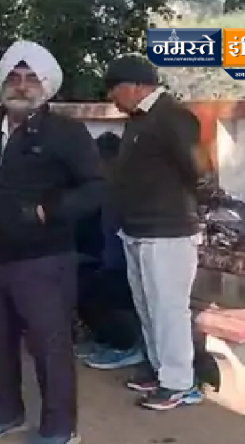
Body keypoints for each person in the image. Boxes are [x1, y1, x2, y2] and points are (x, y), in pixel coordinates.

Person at [0, 40, 104, 444]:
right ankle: (4, 414)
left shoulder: (67, 134)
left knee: (50, 348)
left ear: (46, 86)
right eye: (14, 77)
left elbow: (95, 189)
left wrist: (46, 212)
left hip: (42, 261)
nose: (21, 85)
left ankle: (58, 429)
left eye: (31, 78)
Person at [104, 54, 205, 410]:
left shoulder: (173, 116)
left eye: (114, 89)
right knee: (147, 307)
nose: (111, 98)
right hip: (137, 228)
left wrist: (207, 203)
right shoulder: (138, 120)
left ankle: (178, 383)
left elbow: (198, 169)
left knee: (168, 309)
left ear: (135, 86)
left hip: (168, 231)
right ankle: (159, 368)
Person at [75, 132, 145, 370]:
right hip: (108, 263)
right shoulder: (103, 191)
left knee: (94, 289)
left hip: (128, 268)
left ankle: (125, 346)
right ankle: (106, 340)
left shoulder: (127, 192)